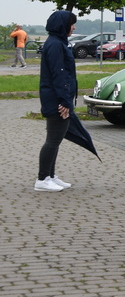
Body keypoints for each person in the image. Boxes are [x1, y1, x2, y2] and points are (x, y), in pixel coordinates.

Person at [36, 10, 79, 191]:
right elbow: (58, 74)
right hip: (55, 100)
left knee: (56, 139)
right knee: (53, 140)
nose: (74, 27)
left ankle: (51, 175)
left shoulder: (59, 43)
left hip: (58, 98)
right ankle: (42, 179)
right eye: (71, 23)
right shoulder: (55, 45)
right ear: (63, 25)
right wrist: (64, 101)